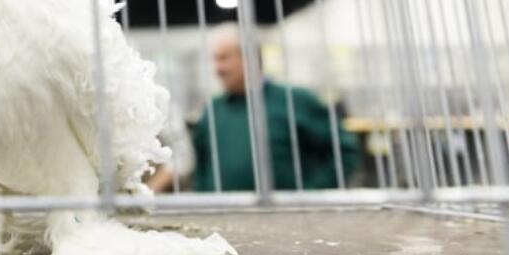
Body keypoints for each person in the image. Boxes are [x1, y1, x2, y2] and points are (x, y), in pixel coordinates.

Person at [151, 24, 359, 192]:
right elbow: (201, 164)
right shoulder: (212, 111)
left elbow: (344, 151)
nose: (217, 68)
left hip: (292, 222)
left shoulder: (296, 100)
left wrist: (311, 193)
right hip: (224, 223)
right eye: (214, 60)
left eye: (224, 58)